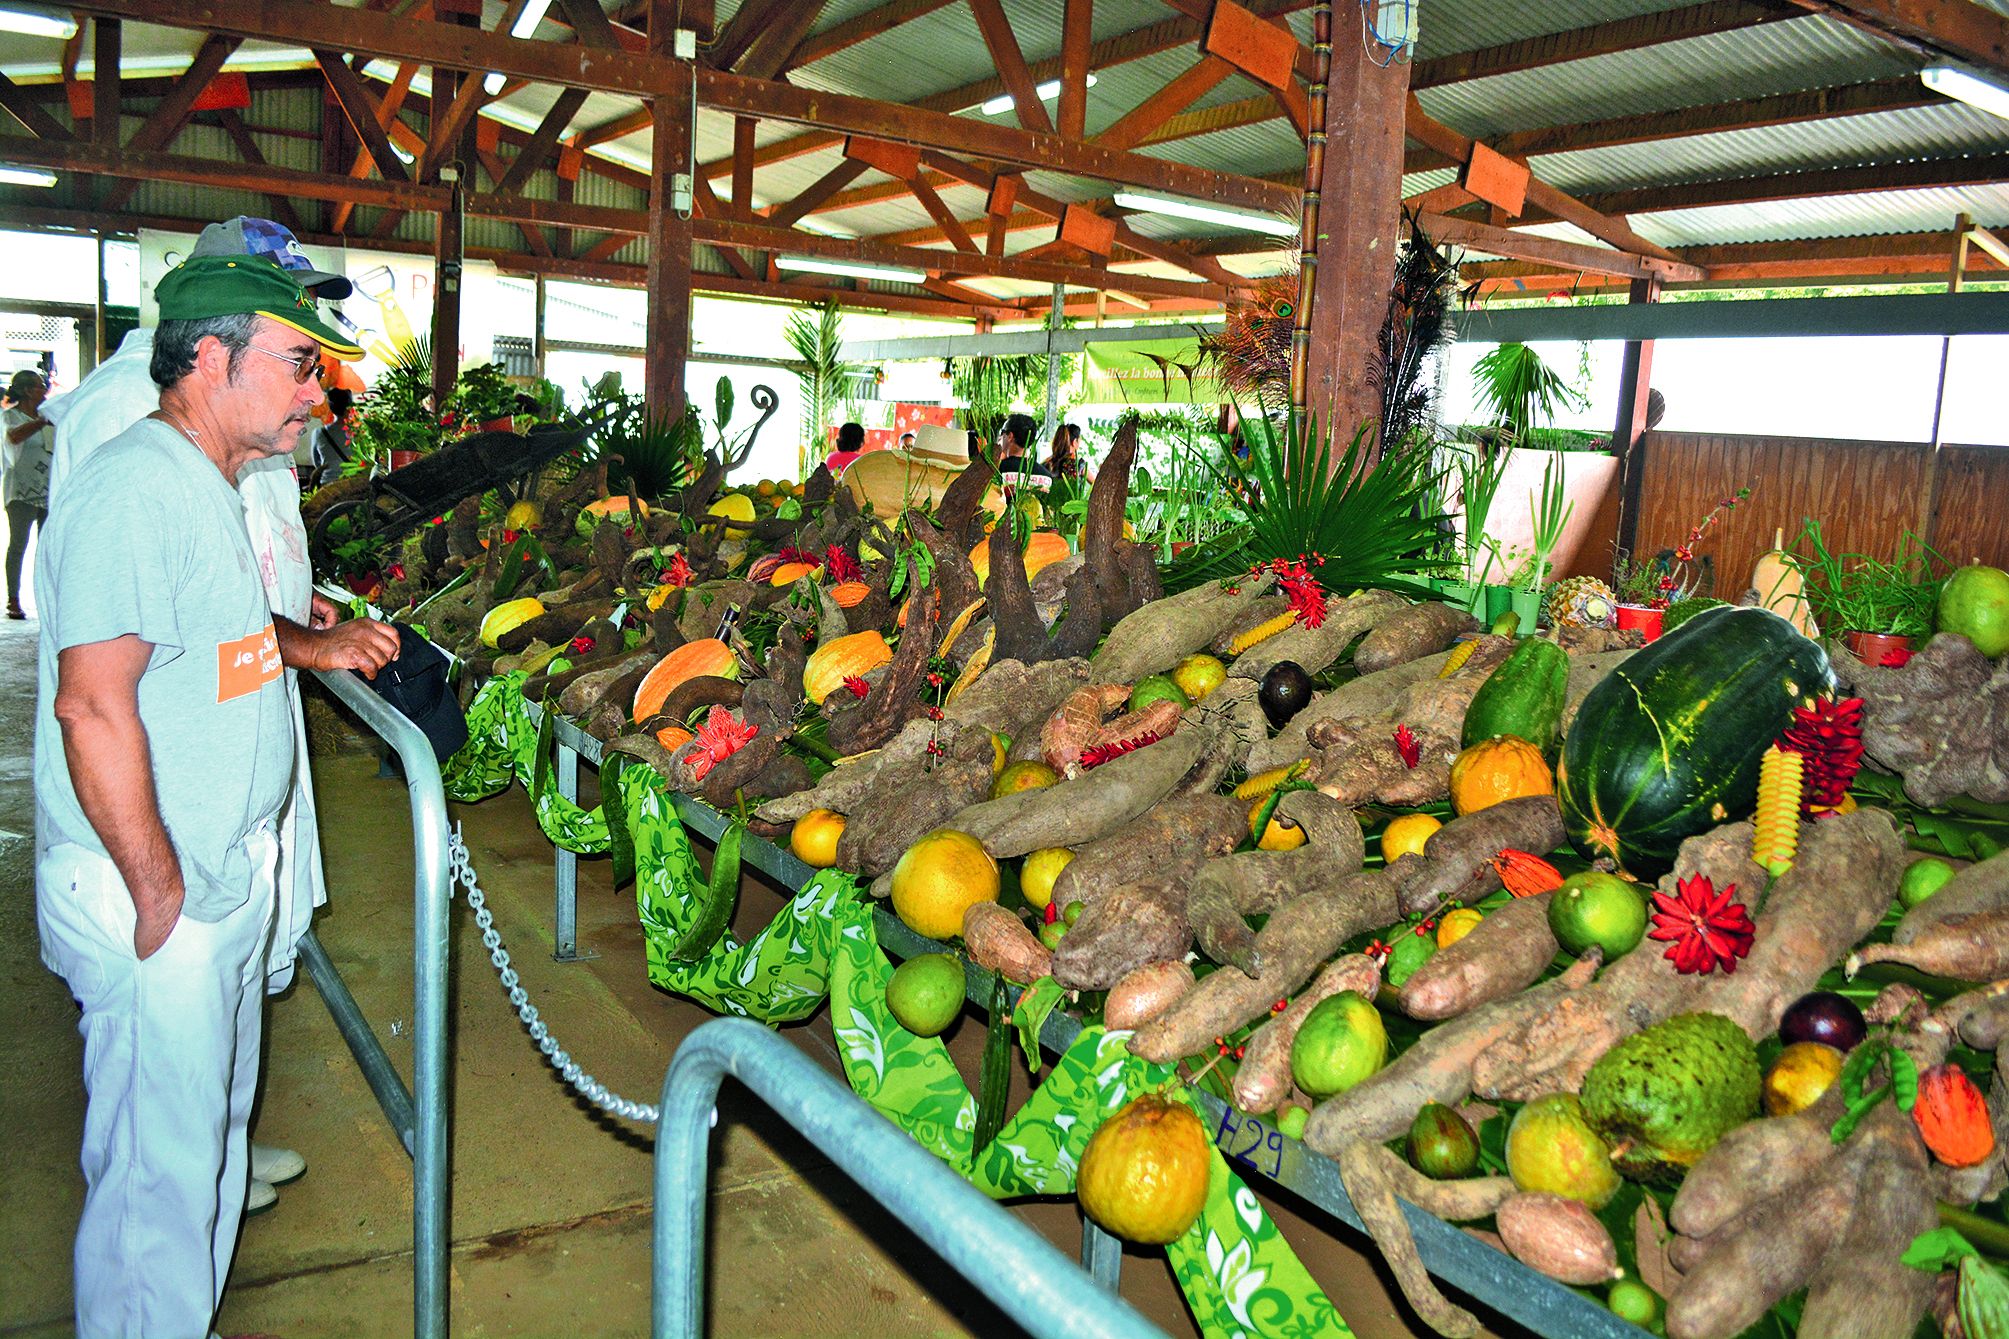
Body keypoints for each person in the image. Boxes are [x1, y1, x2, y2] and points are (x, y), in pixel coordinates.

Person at [36, 254, 399, 1339]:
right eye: (298, 365)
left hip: (217, 876)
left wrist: (310, 644)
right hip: (161, 892)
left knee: (204, 1150)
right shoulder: (134, 489)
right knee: (156, 1189)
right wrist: (160, 892)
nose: (317, 394)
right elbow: (91, 706)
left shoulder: (206, 483)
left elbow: (212, 636)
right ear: (210, 358)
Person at [3, 368, 53, 618]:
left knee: (47, 547)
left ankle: (46, 599)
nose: (44, 390)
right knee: (19, 545)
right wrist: (41, 422)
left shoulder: (48, 415)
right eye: (38, 386)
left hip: (47, 488)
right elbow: (13, 438)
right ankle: (13, 598)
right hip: (22, 489)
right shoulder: (10, 417)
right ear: (25, 391)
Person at [995, 412, 1050, 486]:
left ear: (1010, 436)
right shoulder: (1046, 476)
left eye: (1002, 432)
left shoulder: (997, 471)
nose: (999, 437)